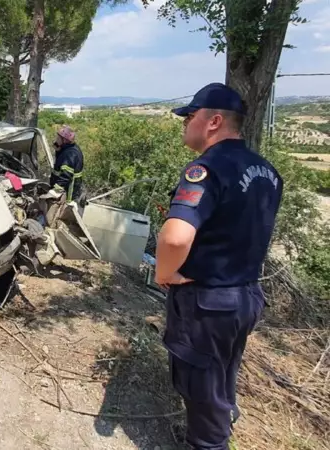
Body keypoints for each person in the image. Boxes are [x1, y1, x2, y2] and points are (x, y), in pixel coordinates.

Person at [155, 82, 283, 450]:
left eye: (189, 117)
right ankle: (219, 422)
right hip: (245, 297)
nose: (185, 124)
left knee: (202, 390)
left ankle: (210, 440)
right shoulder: (268, 172)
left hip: (208, 304)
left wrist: (165, 273)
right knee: (222, 376)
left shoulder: (206, 169)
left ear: (213, 122)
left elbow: (175, 238)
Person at [49, 125, 84, 203]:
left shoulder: (70, 154)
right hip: (68, 189)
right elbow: (60, 164)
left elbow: (66, 175)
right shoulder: (69, 148)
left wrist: (56, 190)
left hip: (69, 193)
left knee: (65, 208)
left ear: (64, 140)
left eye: (58, 138)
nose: (56, 139)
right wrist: (58, 151)